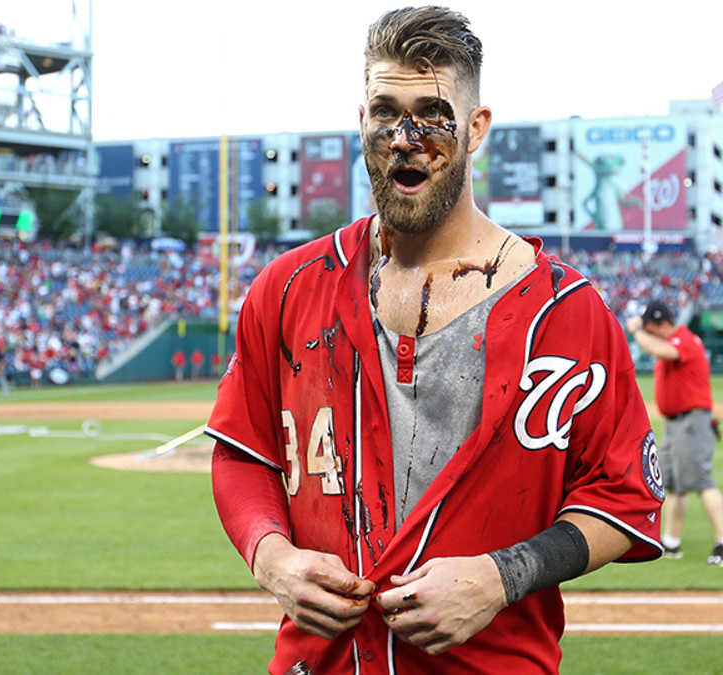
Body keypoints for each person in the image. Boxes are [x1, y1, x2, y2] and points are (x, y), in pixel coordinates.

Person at [205, 8, 664, 675]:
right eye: (386, 111)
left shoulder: (568, 312)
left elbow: (624, 498)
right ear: (361, 118)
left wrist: (500, 576)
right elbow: (242, 451)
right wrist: (271, 555)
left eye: (432, 112)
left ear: (476, 128)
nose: (405, 137)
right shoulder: (288, 287)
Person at [627, 301, 723, 566]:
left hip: (691, 421)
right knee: (675, 486)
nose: (649, 334)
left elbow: (661, 349)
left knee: (702, 482)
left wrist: (637, 331)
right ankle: (671, 542)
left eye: (651, 328)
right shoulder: (678, 340)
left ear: (661, 325)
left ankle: (722, 543)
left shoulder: (684, 340)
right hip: (676, 423)